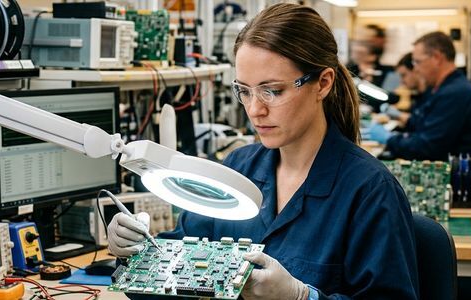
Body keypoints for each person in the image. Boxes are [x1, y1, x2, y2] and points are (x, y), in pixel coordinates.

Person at [107, 3, 419, 300]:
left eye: (273, 91)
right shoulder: (236, 170)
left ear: (322, 83)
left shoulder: (370, 191)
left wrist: (302, 296)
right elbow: (174, 276)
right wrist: (136, 254)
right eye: (244, 90)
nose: (255, 110)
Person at [368, 32, 471, 161]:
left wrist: (390, 139)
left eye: (418, 62)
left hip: (456, 173)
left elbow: (427, 147)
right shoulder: (444, 88)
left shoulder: (454, 93)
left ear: (437, 58)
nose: (416, 69)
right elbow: (424, 124)